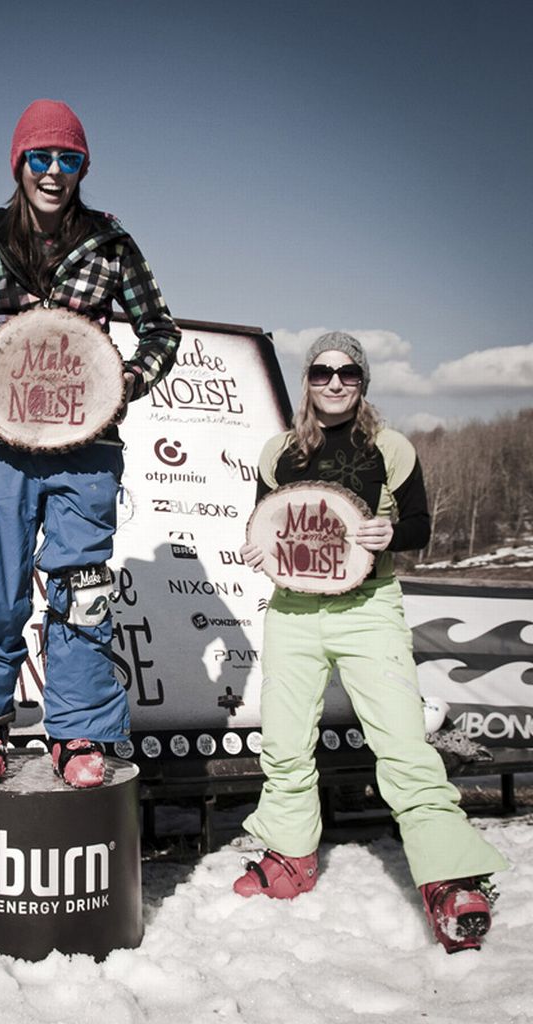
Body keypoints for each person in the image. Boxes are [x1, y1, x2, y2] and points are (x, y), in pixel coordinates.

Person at [0, 99, 181, 788]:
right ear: (20, 162)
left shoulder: (112, 244)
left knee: (82, 593)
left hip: (86, 453)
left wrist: (120, 384)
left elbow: (161, 334)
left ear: (84, 165)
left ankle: (78, 731)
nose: (54, 172)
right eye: (41, 157)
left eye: (69, 159)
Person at [233, 331, 508, 953]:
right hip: (295, 610)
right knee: (283, 744)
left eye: (348, 373)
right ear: (306, 380)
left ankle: (450, 879)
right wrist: (258, 546)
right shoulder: (277, 451)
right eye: (323, 372)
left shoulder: (391, 447)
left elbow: (420, 525)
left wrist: (391, 531)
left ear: (363, 382)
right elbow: (267, 521)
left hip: (368, 607)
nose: (335, 383)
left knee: (404, 746)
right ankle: (291, 859)